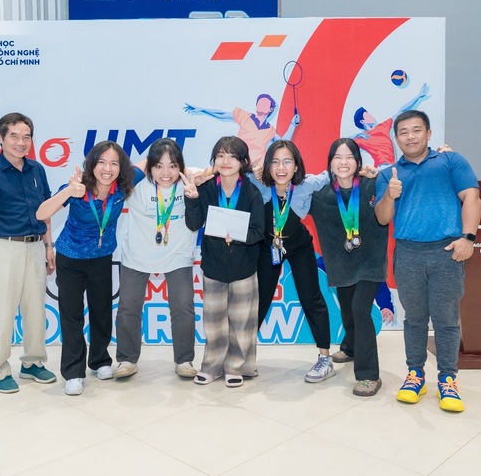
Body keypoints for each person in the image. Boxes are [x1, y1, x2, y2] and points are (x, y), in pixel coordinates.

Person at [375, 110, 481, 412]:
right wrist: (390, 195)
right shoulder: (389, 174)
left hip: (446, 252)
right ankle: (415, 375)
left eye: (416, 130)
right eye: (403, 132)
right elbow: (382, 218)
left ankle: (448, 379)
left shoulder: (451, 161)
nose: (410, 136)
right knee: (415, 319)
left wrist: (468, 238)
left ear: (429, 133)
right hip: (408, 253)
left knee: (446, 320)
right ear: (396, 138)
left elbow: (472, 197)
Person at [36, 141, 138, 396]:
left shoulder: (123, 186)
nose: (107, 168)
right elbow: (41, 213)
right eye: (101, 162)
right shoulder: (77, 187)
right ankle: (73, 372)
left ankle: (100, 360)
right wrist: (68, 192)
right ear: (92, 165)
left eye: (114, 163)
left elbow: (149, 163)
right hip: (70, 258)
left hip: (102, 258)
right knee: (72, 315)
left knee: (101, 312)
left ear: (121, 168)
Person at [0, 112, 57, 394]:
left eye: (26, 137)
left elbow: (45, 211)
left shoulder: (37, 170)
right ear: (1, 138)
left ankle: (32, 363)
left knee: (35, 310)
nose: (21, 142)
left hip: (35, 247)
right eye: (14, 136)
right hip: (3, 249)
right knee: (2, 313)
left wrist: (49, 245)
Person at [113, 138, 200, 379]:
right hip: (137, 256)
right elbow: (126, 173)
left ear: (181, 166)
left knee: (183, 308)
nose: (166, 173)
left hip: (178, 256)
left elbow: (214, 170)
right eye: (158, 166)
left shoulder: (189, 181)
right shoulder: (135, 185)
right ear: (149, 166)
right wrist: (151, 158)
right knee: (128, 309)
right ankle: (127, 360)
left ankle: (184, 360)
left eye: (172, 166)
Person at [309, 138, 389, 396]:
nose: (343, 162)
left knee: (360, 309)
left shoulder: (372, 184)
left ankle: (369, 375)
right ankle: (351, 347)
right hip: (341, 264)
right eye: (337, 157)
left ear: (358, 161)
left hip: (371, 262)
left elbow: (400, 175)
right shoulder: (319, 194)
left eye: (349, 157)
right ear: (330, 163)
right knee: (348, 311)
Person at [252, 140, 336, 383]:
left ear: (296, 166)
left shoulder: (307, 184)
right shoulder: (257, 183)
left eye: (287, 161)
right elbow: (228, 169)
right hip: (268, 247)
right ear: (267, 166)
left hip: (299, 246)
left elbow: (335, 173)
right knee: (259, 299)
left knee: (312, 298)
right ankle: (243, 355)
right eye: (275, 162)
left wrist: (365, 170)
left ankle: (325, 359)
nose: (281, 168)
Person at [184, 136, 265, 387]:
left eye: (232, 156)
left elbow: (259, 231)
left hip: (244, 267)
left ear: (243, 161)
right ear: (214, 160)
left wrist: (238, 236)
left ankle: (236, 367)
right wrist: (192, 199)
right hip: (214, 266)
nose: (225, 161)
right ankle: (212, 367)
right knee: (214, 322)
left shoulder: (251, 191)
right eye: (220, 155)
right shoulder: (207, 188)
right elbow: (194, 224)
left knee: (242, 322)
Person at [184, 94, 300, 171]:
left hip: (257, 170)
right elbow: (222, 114)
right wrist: (202, 109)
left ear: (270, 109)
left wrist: (292, 125)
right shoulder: (245, 116)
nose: (260, 105)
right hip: (239, 165)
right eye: (259, 103)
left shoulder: (270, 130)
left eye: (264, 103)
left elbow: (283, 142)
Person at [352, 83, 430, 166]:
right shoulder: (361, 138)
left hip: (392, 166)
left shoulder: (383, 126)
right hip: (380, 168)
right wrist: (356, 135)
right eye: (367, 115)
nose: (371, 116)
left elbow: (402, 110)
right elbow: (344, 143)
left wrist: (418, 97)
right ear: (362, 121)